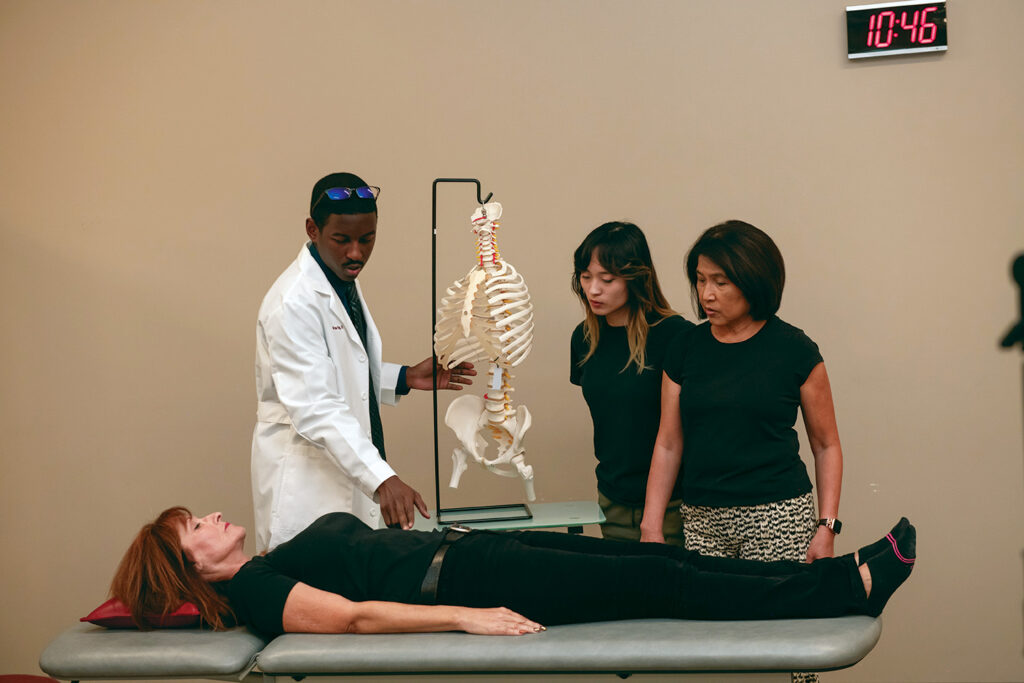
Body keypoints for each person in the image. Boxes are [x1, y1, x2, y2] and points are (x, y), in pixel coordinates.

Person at [110, 506, 916, 637]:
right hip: (479, 585)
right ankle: (845, 589)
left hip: (478, 554)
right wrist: (470, 616)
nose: (213, 517)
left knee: (663, 555)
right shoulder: (254, 591)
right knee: (666, 586)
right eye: (197, 529)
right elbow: (356, 617)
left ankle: (831, 573)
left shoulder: (268, 556)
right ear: (196, 571)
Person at [252, 172, 476, 551]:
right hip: (308, 485)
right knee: (314, 598)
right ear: (313, 229)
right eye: (342, 239)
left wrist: (403, 377)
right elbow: (315, 406)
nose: (356, 253)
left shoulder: (339, 278)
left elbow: (335, 369)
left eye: (366, 239)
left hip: (340, 480)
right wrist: (381, 478)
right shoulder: (294, 301)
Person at [641, 220, 844, 569]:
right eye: (701, 280)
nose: (707, 294)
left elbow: (826, 446)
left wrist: (827, 527)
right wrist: (651, 524)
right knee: (710, 622)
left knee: (775, 621)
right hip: (703, 519)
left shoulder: (795, 350)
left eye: (721, 282)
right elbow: (668, 443)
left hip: (778, 517)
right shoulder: (684, 347)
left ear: (754, 282)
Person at [570, 222, 693, 545]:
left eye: (607, 279)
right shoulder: (584, 339)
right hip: (613, 500)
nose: (593, 289)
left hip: (677, 503)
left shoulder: (675, 336)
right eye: (585, 276)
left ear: (635, 279)